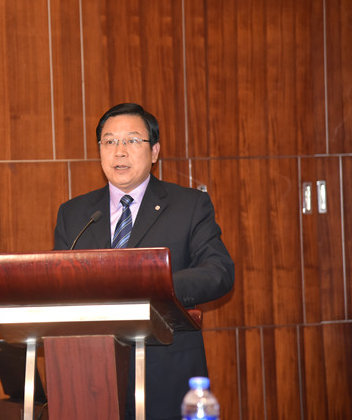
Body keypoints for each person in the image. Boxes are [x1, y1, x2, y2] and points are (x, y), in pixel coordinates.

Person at [53, 103, 235, 419]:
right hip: (90, 372)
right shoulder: (75, 213)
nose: (119, 151)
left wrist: (155, 286)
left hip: (166, 370)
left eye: (132, 140)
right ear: (100, 150)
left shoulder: (189, 205)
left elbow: (218, 272)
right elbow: (59, 284)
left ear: (154, 152)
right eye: (110, 141)